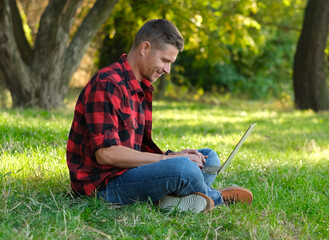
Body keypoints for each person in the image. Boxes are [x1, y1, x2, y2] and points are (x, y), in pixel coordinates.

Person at [66, 19, 253, 213]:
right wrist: (169, 162)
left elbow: (138, 150)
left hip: (129, 173)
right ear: (145, 48)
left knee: (208, 157)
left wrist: (170, 156)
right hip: (104, 186)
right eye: (165, 61)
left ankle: (172, 200)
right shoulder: (107, 84)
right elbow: (106, 154)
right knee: (183, 169)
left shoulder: (140, 87)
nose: (167, 69)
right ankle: (217, 198)